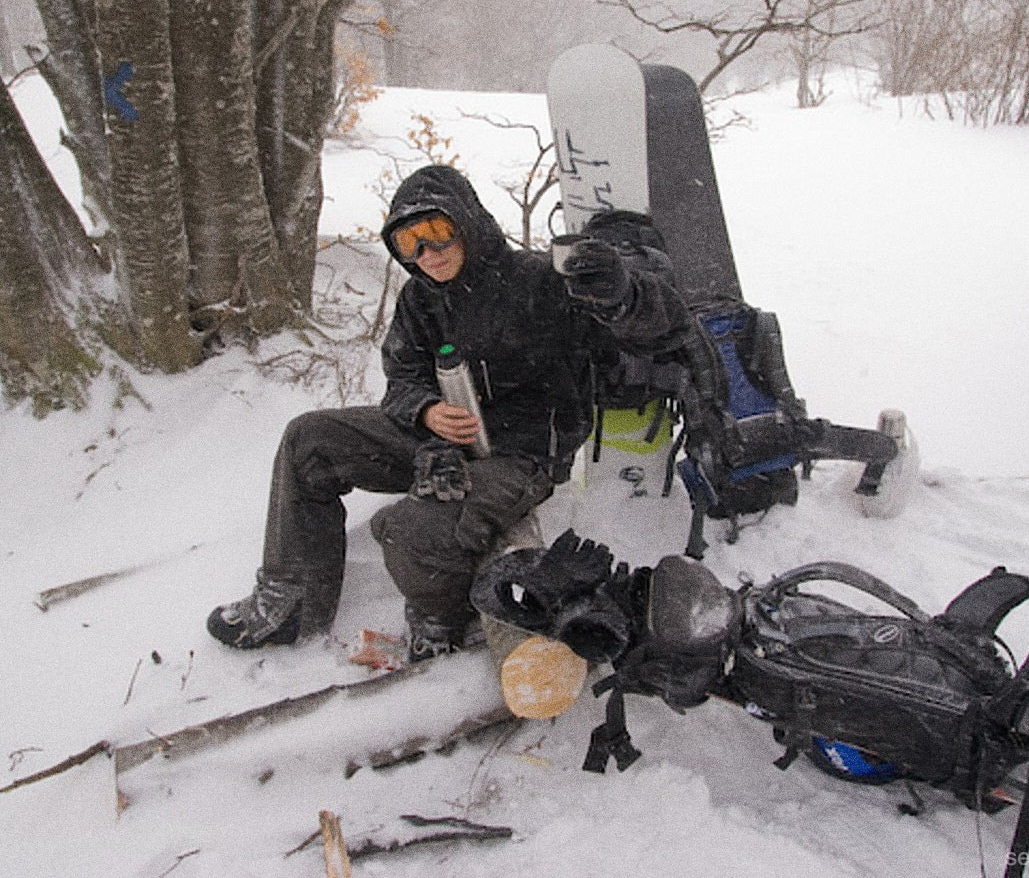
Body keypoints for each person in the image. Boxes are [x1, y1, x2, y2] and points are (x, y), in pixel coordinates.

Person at [207, 164, 689, 661]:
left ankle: (441, 617)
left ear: (469, 225)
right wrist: (426, 413)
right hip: (442, 437)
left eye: (437, 234)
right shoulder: (421, 300)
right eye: (409, 242)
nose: (427, 255)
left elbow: (668, 332)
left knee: (412, 531)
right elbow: (403, 375)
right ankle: (293, 599)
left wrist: (623, 296)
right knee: (309, 439)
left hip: (521, 456)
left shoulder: (540, 284)